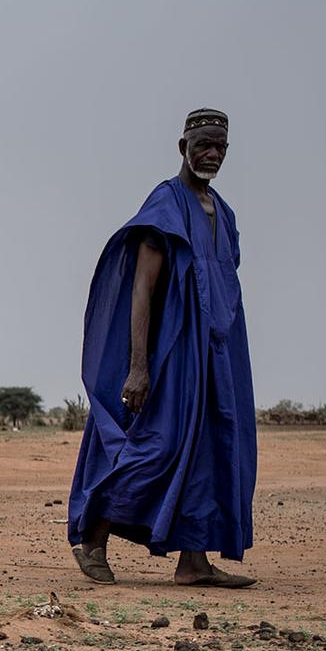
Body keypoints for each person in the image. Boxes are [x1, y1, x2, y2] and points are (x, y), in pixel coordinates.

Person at [67, 108, 256, 587]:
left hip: (218, 355)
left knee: (212, 449)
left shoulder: (224, 212)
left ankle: (193, 561)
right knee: (158, 447)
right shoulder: (165, 205)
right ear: (183, 148)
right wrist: (138, 366)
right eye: (203, 144)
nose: (212, 153)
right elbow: (141, 289)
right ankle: (93, 537)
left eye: (220, 146)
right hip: (174, 356)